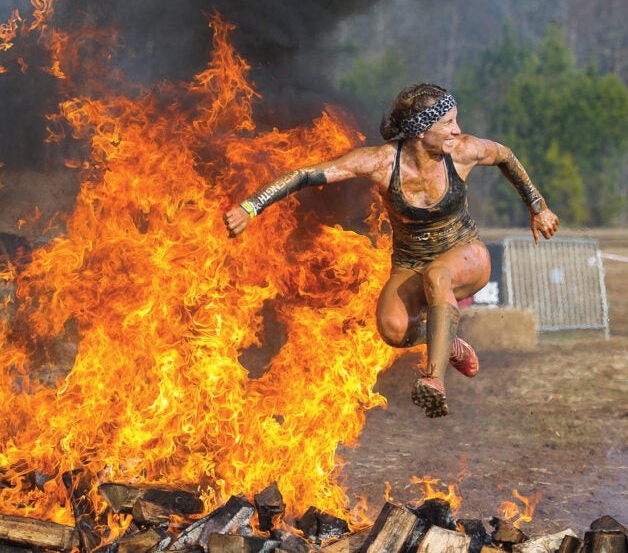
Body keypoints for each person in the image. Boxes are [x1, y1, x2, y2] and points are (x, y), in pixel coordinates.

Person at [224, 83, 559, 418]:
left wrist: (538, 207)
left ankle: (434, 380)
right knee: (392, 330)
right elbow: (305, 175)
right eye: (447, 123)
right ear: (419, 131)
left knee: (438, 275)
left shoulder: (463, 151)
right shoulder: (382, 162)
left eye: (456, 120)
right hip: (410, 262)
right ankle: (445, 340)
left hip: (465, 253)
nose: (457, 129)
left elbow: (506, 156)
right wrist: (251, 207)